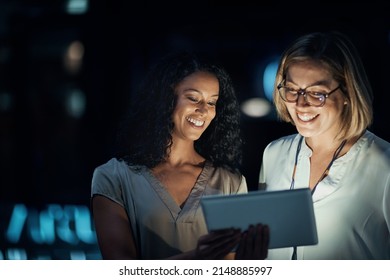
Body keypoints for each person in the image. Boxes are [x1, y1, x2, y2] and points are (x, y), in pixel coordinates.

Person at [91, 51, 269, 260]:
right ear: (166, 99)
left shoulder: (231, 182)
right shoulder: (113, 177)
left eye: (212, 102)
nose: (203, 110)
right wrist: (197, 257)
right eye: (193, 98)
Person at [259, 31, 390, 259]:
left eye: (317, 93)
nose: (301, 104)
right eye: (292, 90)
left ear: (348, 92)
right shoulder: (273, 153)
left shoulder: (384, 164)